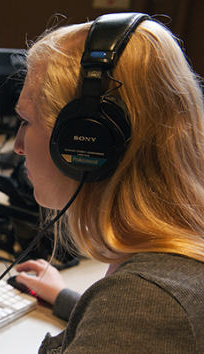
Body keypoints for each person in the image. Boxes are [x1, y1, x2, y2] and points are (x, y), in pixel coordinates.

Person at [12, 13, 204, 353]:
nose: (18, 144)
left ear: (86, 139)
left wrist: (122, 307)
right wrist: (69, 299)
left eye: (27, 120)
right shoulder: (159, 277)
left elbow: (140, 319)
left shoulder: (146, 301)